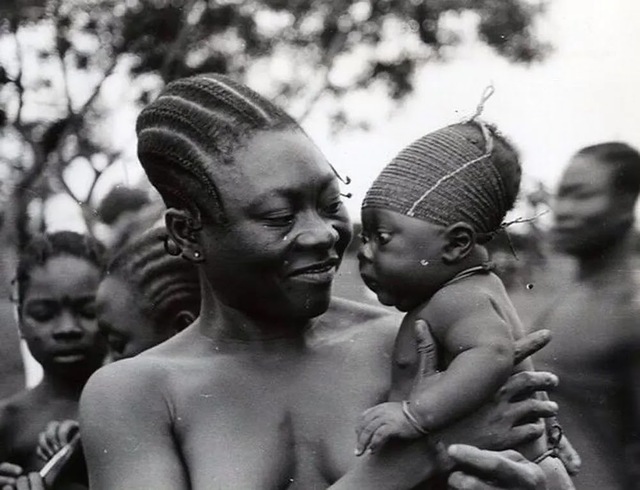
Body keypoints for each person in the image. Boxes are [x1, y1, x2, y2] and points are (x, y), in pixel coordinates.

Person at [79, 74, 568, 489]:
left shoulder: (411, 343)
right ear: (188, 232)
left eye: (331, 203)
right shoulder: (138, 394)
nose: (322, 234)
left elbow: (542, 468)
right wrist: (411, 462)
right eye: (278, 216)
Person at [354, 121, 548, 462]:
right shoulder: (465, 290)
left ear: (457, 244)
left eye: (381, 238)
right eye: (364, 237)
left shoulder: (459, 298)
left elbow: (494, 353)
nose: (365, 252)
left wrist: (415, 415)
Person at [533, 142, 640, 489]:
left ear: (626, 204)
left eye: (580, 196)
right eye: (561, 195)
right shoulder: (568, 294)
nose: (561, 210)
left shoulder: (632, 308)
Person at [0, 232, 107, 483]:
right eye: (44, 314)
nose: (67, 328)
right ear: (21, 323)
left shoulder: (147, 400)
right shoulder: (8, 423)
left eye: (87, 310)